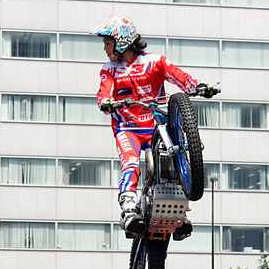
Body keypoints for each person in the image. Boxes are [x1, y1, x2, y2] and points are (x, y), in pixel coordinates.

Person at [90, 14, 217, 235]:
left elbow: (179, 77)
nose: (104, 47)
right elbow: (104, 93)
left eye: (107, 42)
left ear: (121, 41)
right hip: (127, 129)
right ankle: (129, 209)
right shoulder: (109, 69)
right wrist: (106, 102)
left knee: (170, 160)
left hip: (156, 126)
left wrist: (198, 86)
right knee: (130, 161)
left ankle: (179, 212)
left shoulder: (155, 62)